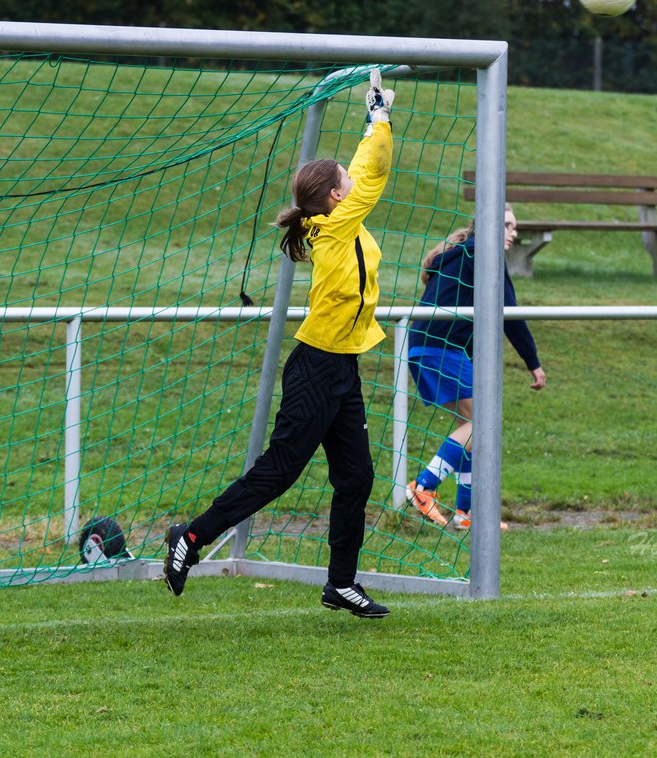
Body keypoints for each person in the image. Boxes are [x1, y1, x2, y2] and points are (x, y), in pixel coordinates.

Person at [163, 69, 396, 618]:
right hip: (317, 368)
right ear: (336, 197)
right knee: (279, 471)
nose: (352, 183)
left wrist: (374, 119)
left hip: (342, 369)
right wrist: (379, 118)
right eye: (345, 180)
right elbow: (374, 170)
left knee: (356, 476)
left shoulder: (339, 222)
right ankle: (190, 540)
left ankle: (341, 584)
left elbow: (365, 174)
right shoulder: (336, 227)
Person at [405, 206, 546, 529]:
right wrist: (533, 363)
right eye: (507, 225)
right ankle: (424, 486)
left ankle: (465, 514)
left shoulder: (461, 254)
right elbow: (508, 313)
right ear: (488, 226)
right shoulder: (483, 254)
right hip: (439, 348)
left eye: (514, 227)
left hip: (425, 346)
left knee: (472, 426)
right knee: (481, 422)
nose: (513, 233)